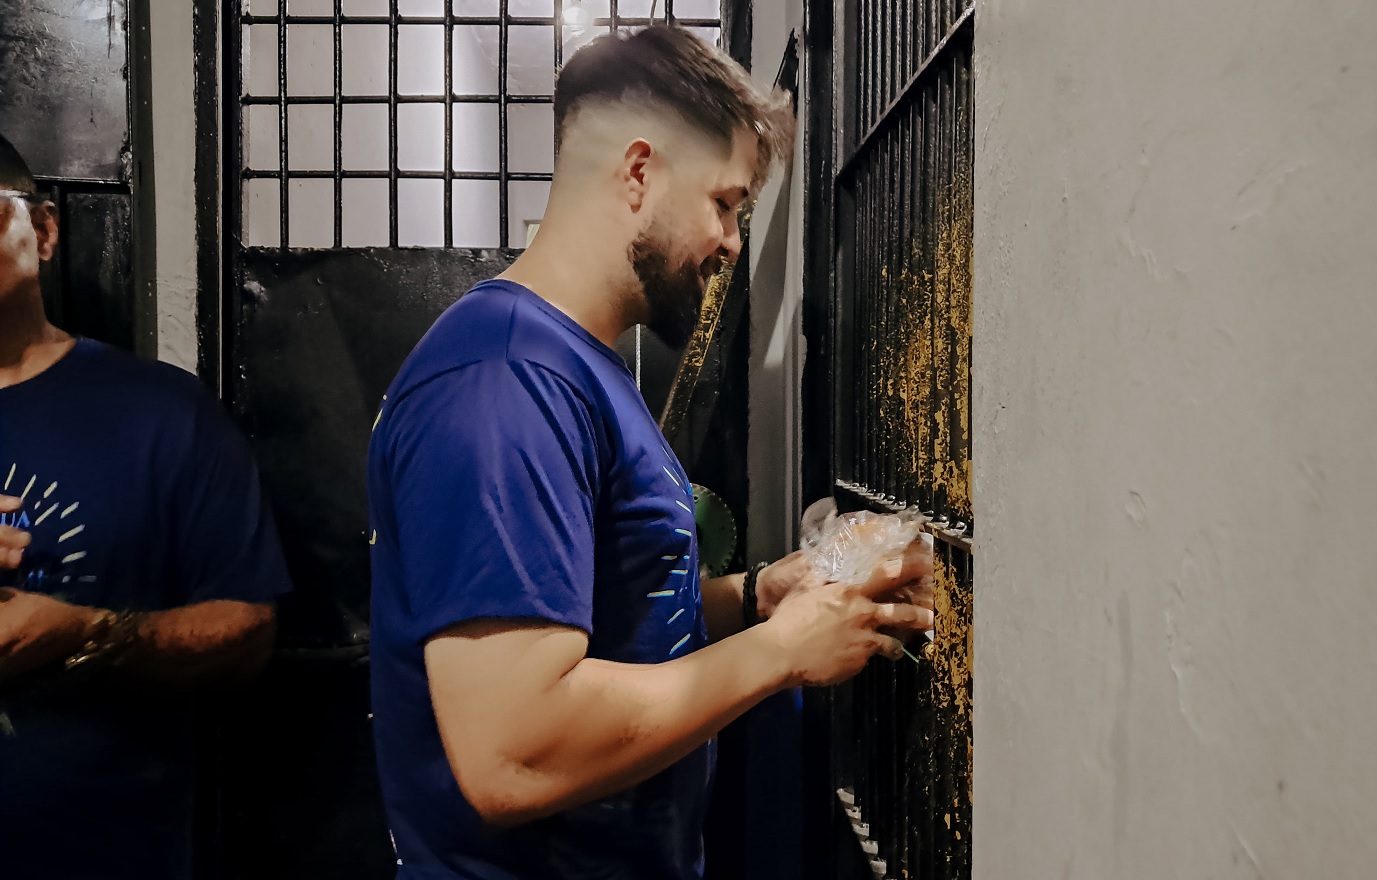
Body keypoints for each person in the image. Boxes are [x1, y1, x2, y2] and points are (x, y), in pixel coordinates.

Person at [367, 26, 936, 880]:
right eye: (725, 203)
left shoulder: (575, 366)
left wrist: (757, 597)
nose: (733, 241)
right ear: (639, 172)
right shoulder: (506, 382)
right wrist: (781, 652)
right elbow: (513, 754)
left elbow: (614, 612)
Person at [0, 132, 294, 879]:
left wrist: (89, 635)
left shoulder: (160, 414)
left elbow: (247, 632)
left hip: (108, 851)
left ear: (44, 230)